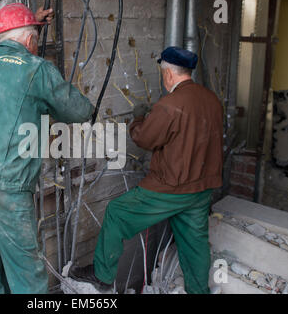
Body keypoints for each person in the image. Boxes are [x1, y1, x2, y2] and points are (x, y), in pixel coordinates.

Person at [0, 3, 94, 294]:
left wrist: (33, 23)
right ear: (32, 41)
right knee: (27, 275)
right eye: (35, 40)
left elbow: (13, 57)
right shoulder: (37, 69)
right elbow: (78, 111)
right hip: (5, 184)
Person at [69, 46, 224, 294]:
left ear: (169, 74)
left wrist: (139, 118)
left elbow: (144, 139)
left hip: (170, 189)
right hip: (201, 189)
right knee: (195, 245)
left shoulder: (171, 104)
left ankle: (102, 276)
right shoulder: (211, 99)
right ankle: (199, 290)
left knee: (117, 213)